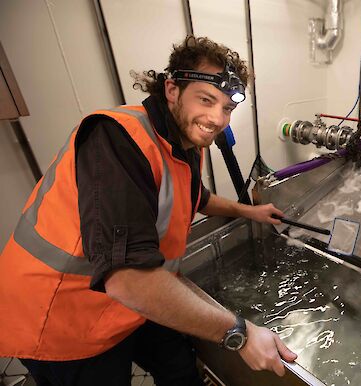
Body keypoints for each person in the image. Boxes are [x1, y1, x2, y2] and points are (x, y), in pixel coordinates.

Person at [0, 35, 297, 385]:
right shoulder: (118, 138)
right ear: (172, 89)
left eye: (227, 108)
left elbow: (194, 197)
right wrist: (240, 334)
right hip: (63, 315)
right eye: (206, 100)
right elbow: (129, 281)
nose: (217, 118)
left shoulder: (184, 142)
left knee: (179, 368)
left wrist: (252, 212)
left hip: (127, 301)